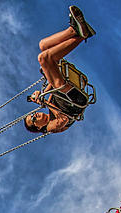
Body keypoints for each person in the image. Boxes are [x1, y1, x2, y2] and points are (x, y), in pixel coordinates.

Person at [25, 6, 95, 134]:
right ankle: (79, 34)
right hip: (73, 102)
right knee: (43, 58)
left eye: (33, 114)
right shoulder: (49, 128)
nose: (36, 115)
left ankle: (75, 31)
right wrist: (45, 101)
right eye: (33, 119)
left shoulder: (49, 103)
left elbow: (53, 85)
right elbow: (63, 120)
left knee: (43, 45)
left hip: (65, 90)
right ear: (38, 127)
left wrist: (42, 94)